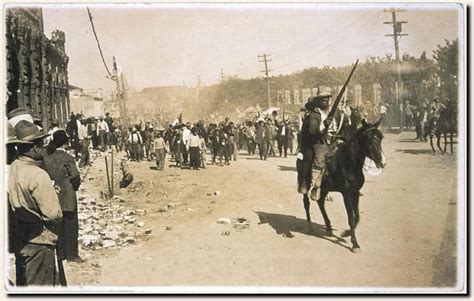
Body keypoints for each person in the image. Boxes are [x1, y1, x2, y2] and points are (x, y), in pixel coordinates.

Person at [8, 120, 63, 286]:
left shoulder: (15, 167)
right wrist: (51, 196)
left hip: (22, 238)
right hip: (40, 241)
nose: (44, 147)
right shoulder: (38, 175)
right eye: (41, 143)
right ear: (33, 147)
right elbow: (53, 215)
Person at [43, 130, 83, 263]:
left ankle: (60, 254)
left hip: (54, 196)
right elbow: (75, 176)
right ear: (65, 143)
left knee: (58, 227)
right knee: (71, 225)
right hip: (68, 197)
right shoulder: (67, 158)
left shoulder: (47, 157)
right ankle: (72, 255)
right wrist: (75, 187)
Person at [297, 93, 334, 201]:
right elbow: (313, 132)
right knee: (318, 158)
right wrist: (324, 125)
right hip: (316, 142)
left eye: (327, 98)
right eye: (323, 99)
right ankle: (315, 186)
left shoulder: (332, 112)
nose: (325, 100)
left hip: (332, 140)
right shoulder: (314, 115)